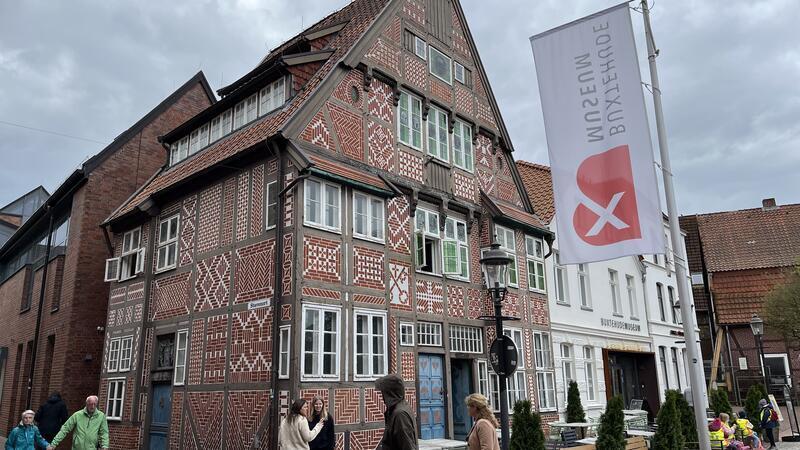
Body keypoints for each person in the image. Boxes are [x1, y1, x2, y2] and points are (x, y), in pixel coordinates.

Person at [375, 374, 417, 450]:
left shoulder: (400, 414)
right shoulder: (398, 408)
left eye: (383, 393)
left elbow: (407, 446)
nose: (382, 397)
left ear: (390, 393)